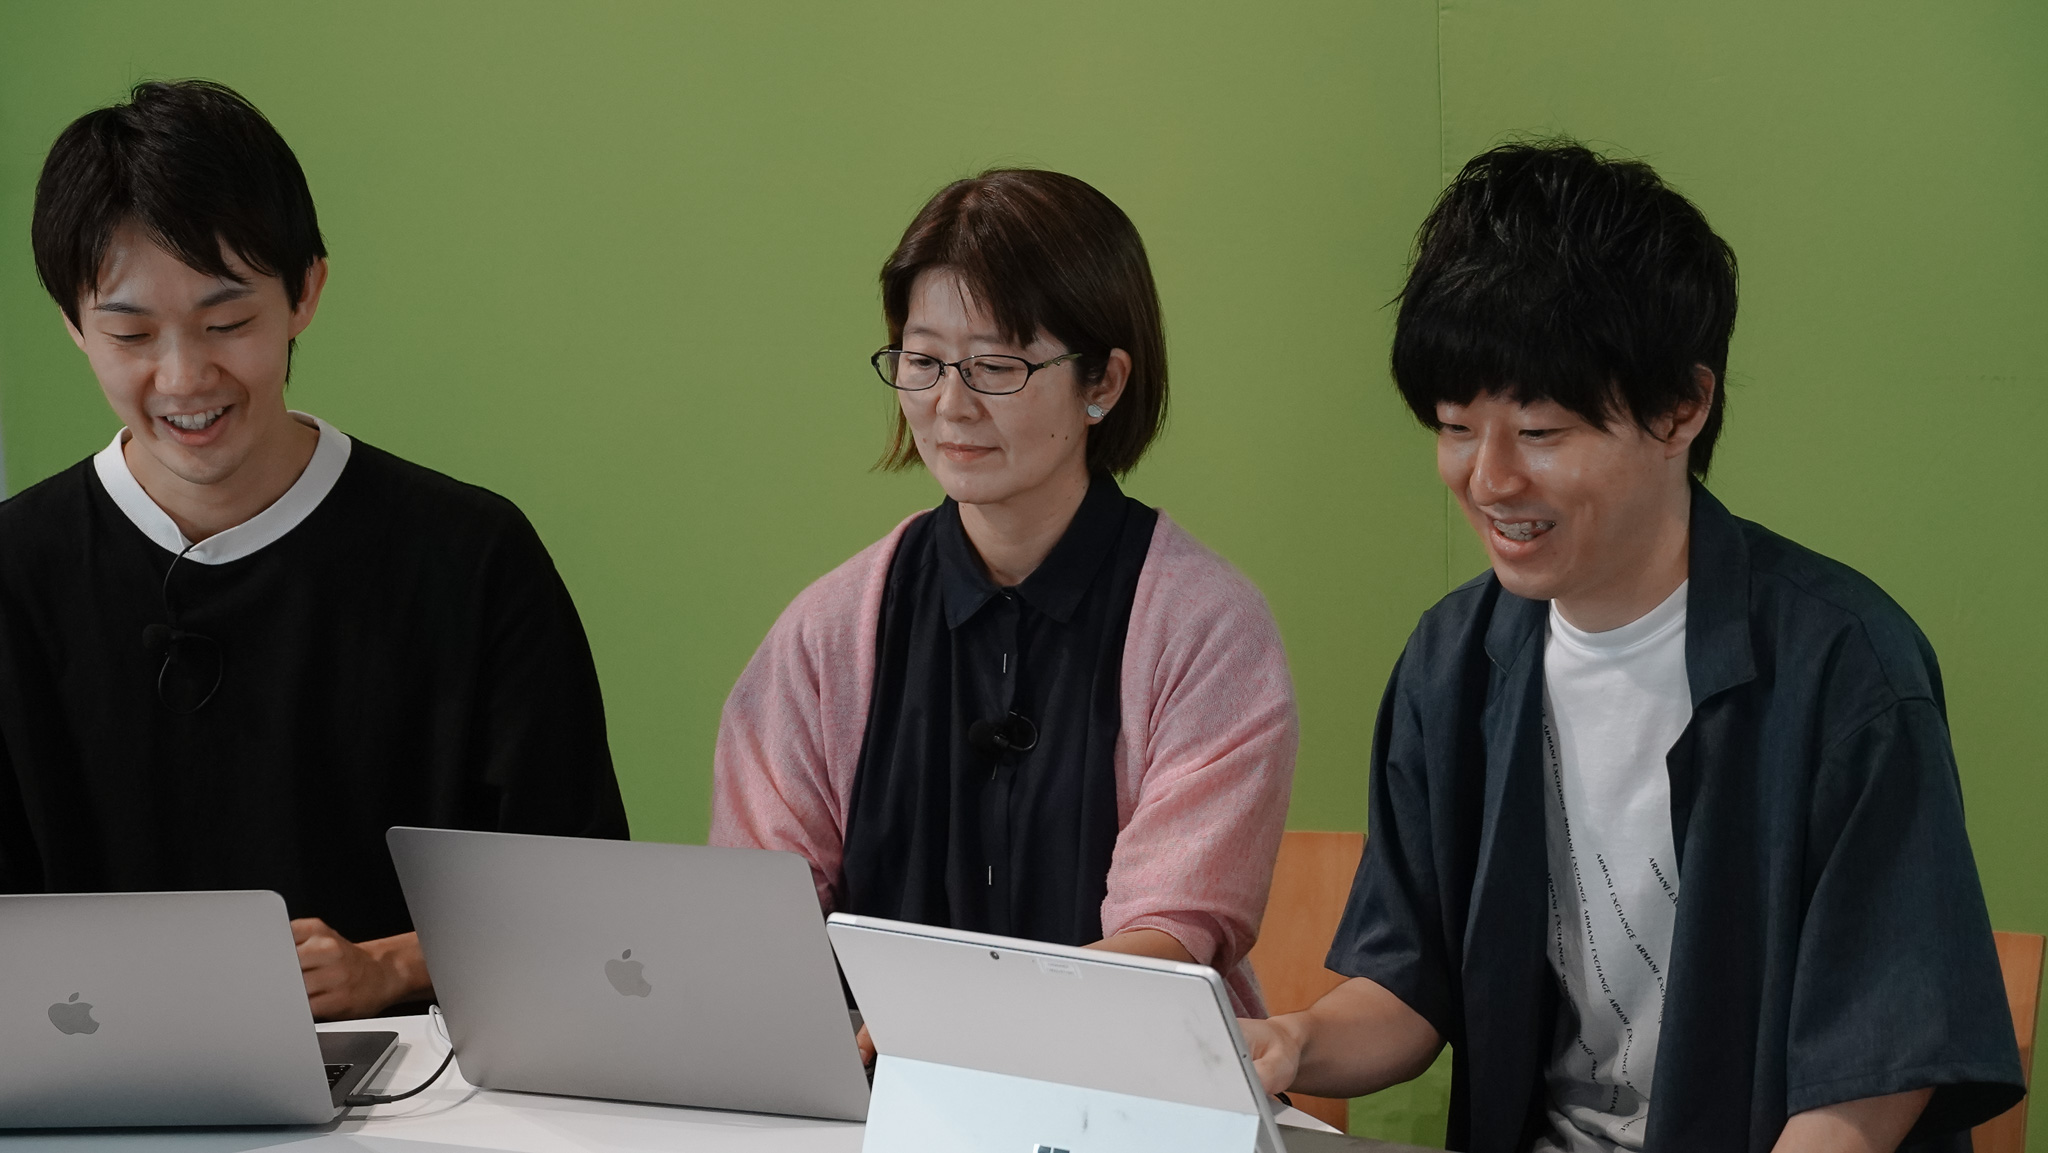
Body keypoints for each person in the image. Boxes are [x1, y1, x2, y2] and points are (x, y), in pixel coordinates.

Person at [1241, 142, 2024, 1152]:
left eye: (1540, 432)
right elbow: (1406, 987)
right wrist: (1293, 1042)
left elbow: (1872, 1077)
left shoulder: (1844, 670)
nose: (1489, 479)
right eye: (1455, 427)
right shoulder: (1453, 659)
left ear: (1680, 409)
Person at [0, 80, 627, 1020]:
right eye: (130, 333)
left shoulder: (468, 556)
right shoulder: (17, 571)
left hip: (416, 1080)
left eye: (226, 323)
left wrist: (391, 966)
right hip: (90, 1077)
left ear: (305, 293)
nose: (184, 377)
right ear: (72, 325)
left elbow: (583, 896)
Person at [711, 169, 1296, 1029]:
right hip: (879, 1088)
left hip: (1126, 1075)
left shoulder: (1206, 628)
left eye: (996, 365)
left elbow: (1169, 937)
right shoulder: (829, 630)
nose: (951, 405)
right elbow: (761, 917)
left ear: (1103, 382)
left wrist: (949, 1027)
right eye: (923, 361)